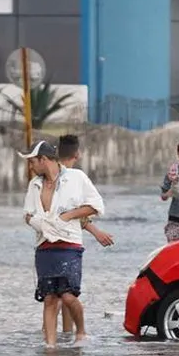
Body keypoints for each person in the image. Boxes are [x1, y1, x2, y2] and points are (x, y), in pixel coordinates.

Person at [20, 140, 105, 348]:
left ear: (44, 160)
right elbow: (27, 214)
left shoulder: (76, 178)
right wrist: (38, 223)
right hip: (44, 246)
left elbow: (97, 206)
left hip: (69, 244)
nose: (31, 167)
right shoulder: (35, 184)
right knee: (49, 298)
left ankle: (81, 332)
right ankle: (50, 346)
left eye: (33, 162)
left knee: (68, 296)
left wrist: (68, 216)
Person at [54, 133, 114, 335]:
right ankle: (74, 335)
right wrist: (96, 232)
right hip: (70, 245)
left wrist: (95, 231)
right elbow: (89, 208)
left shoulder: (47, 177)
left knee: (52, 296)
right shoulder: (77, 178)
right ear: (77, 154)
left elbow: (64, 213)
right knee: (68, 293)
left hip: (46, 246)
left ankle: (56, 337)